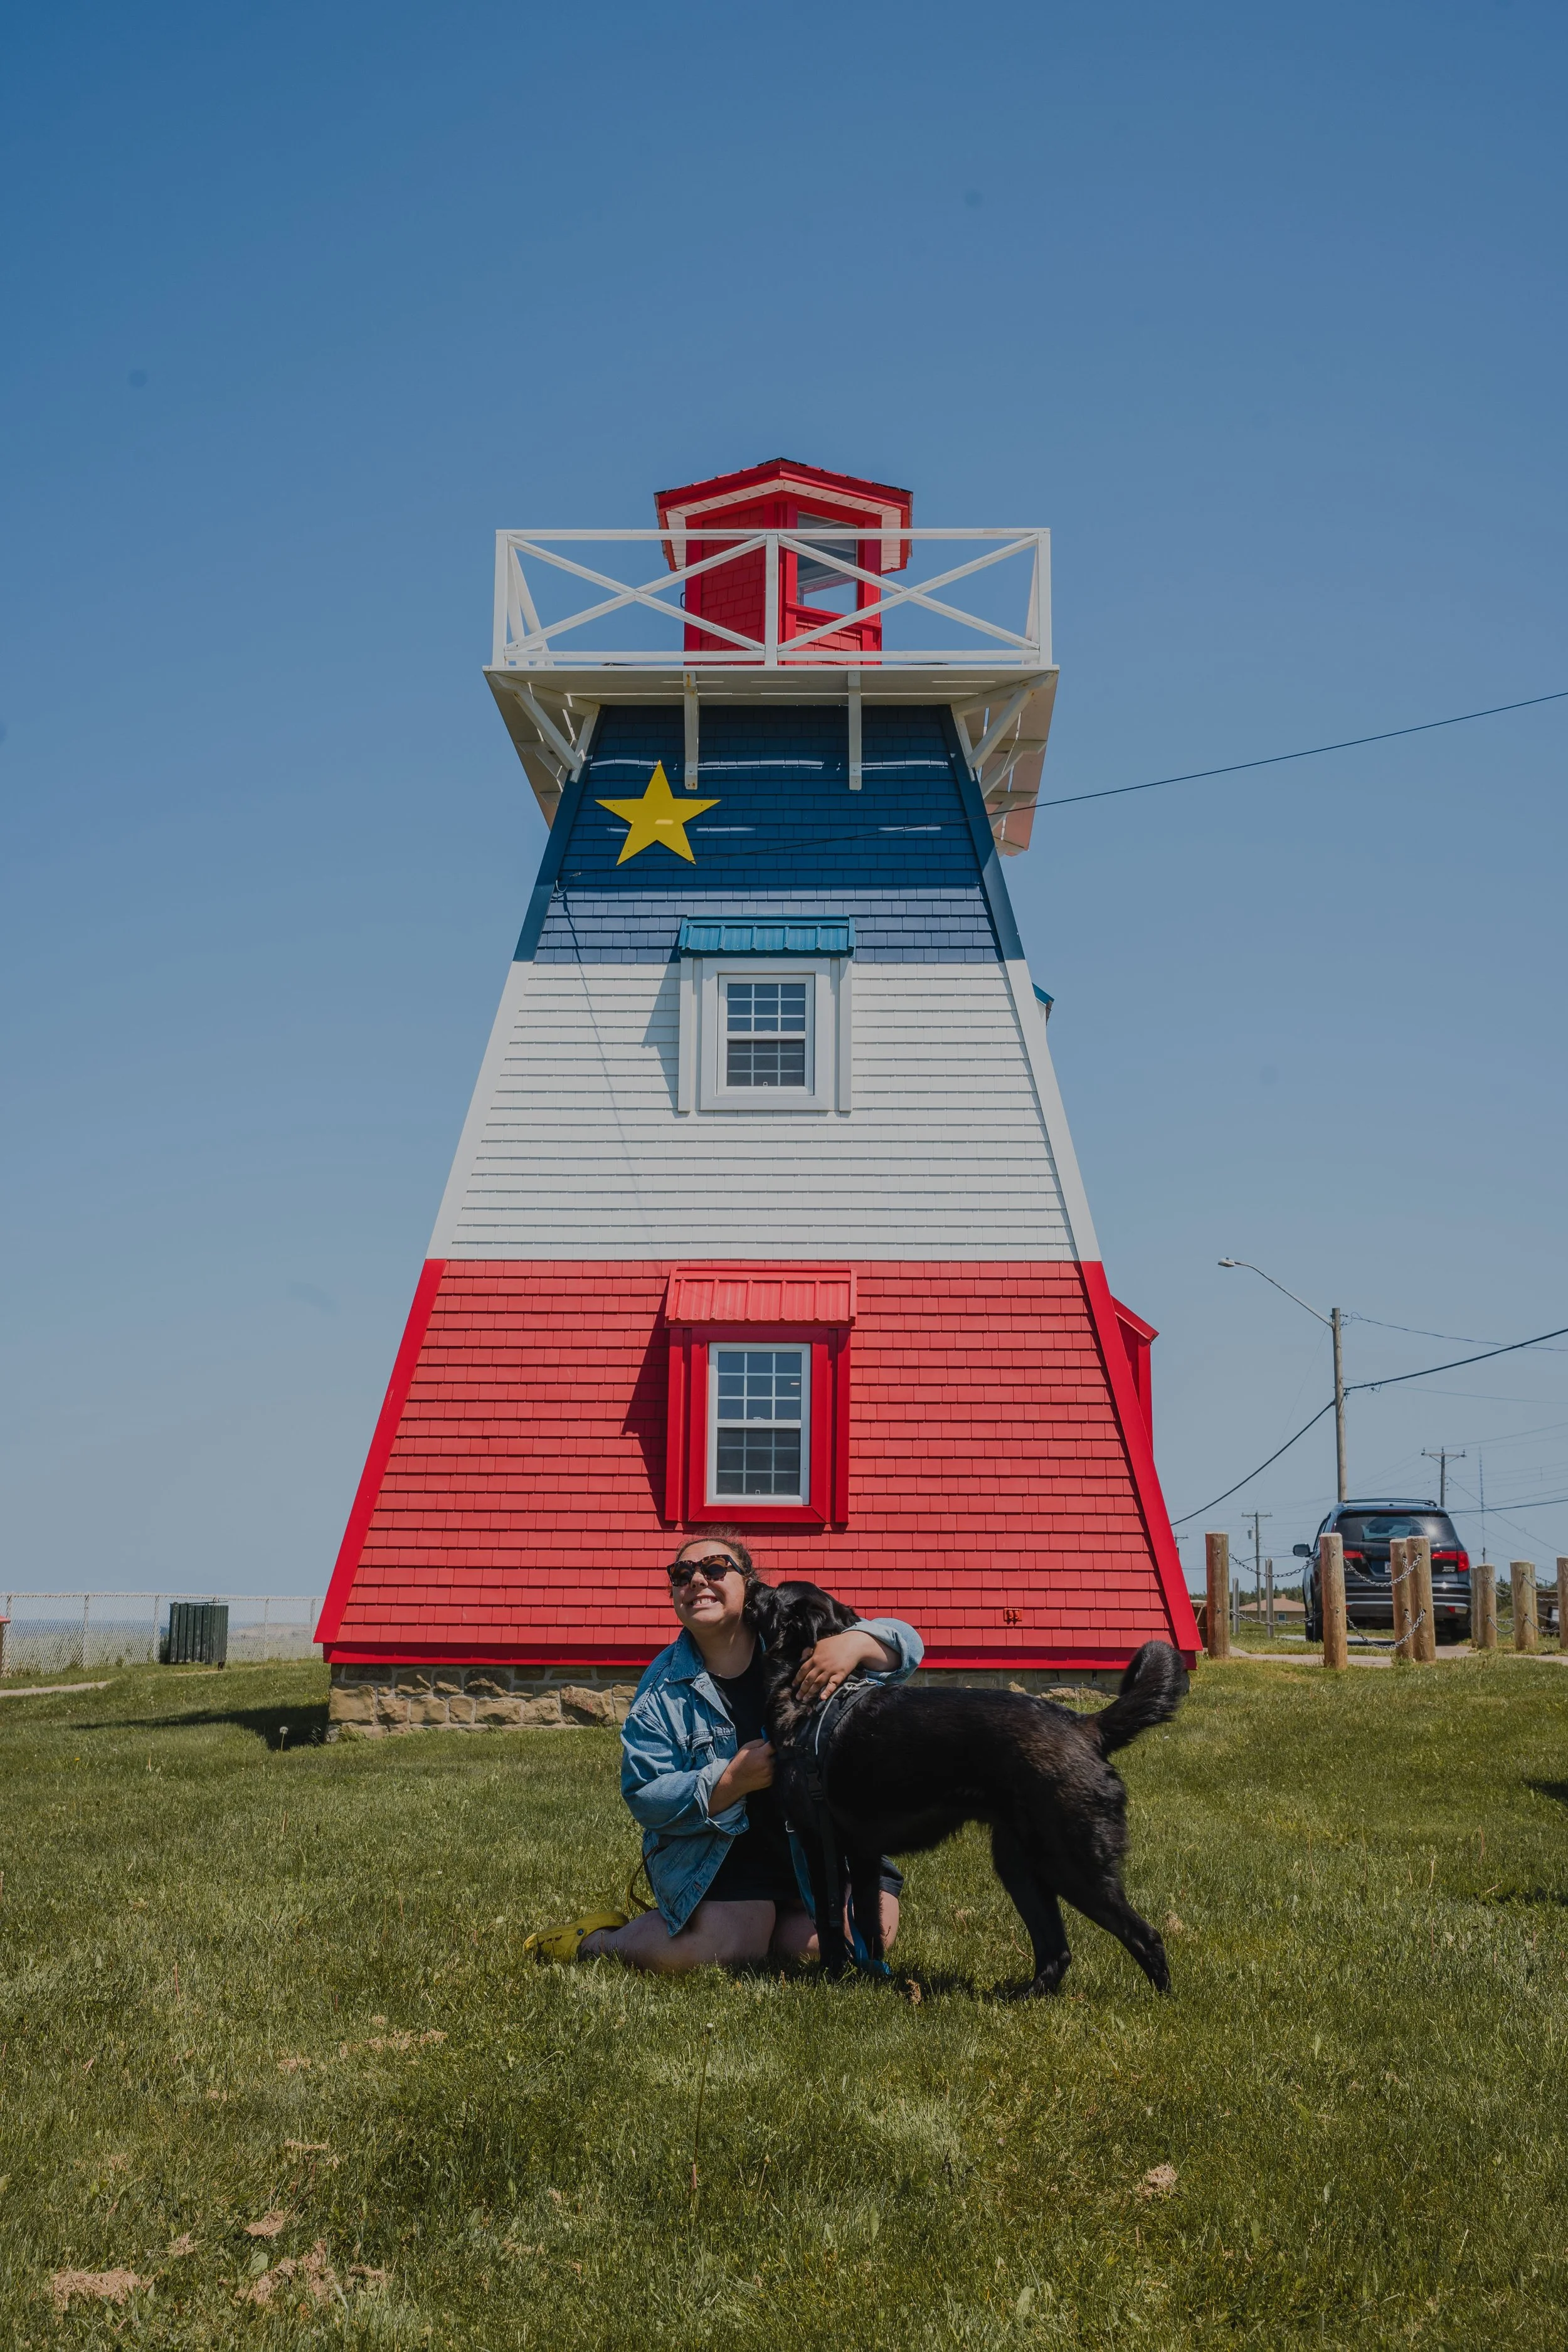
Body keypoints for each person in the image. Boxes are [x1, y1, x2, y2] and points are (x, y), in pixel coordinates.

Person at [526, 1531, 923, 1971]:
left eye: (715, 1568)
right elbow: (644, 1793)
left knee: (864, 1939)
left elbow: (907, 1646)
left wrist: (856, 1644)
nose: (697, 1579)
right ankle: (597, 1941)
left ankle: (773, 1924)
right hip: (721, 1857)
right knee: (728, 1946)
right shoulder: (663, 1689)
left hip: (822, 1846)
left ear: (748, 1584)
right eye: (682, 1574)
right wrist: (731, 1781)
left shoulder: (793, 1635)